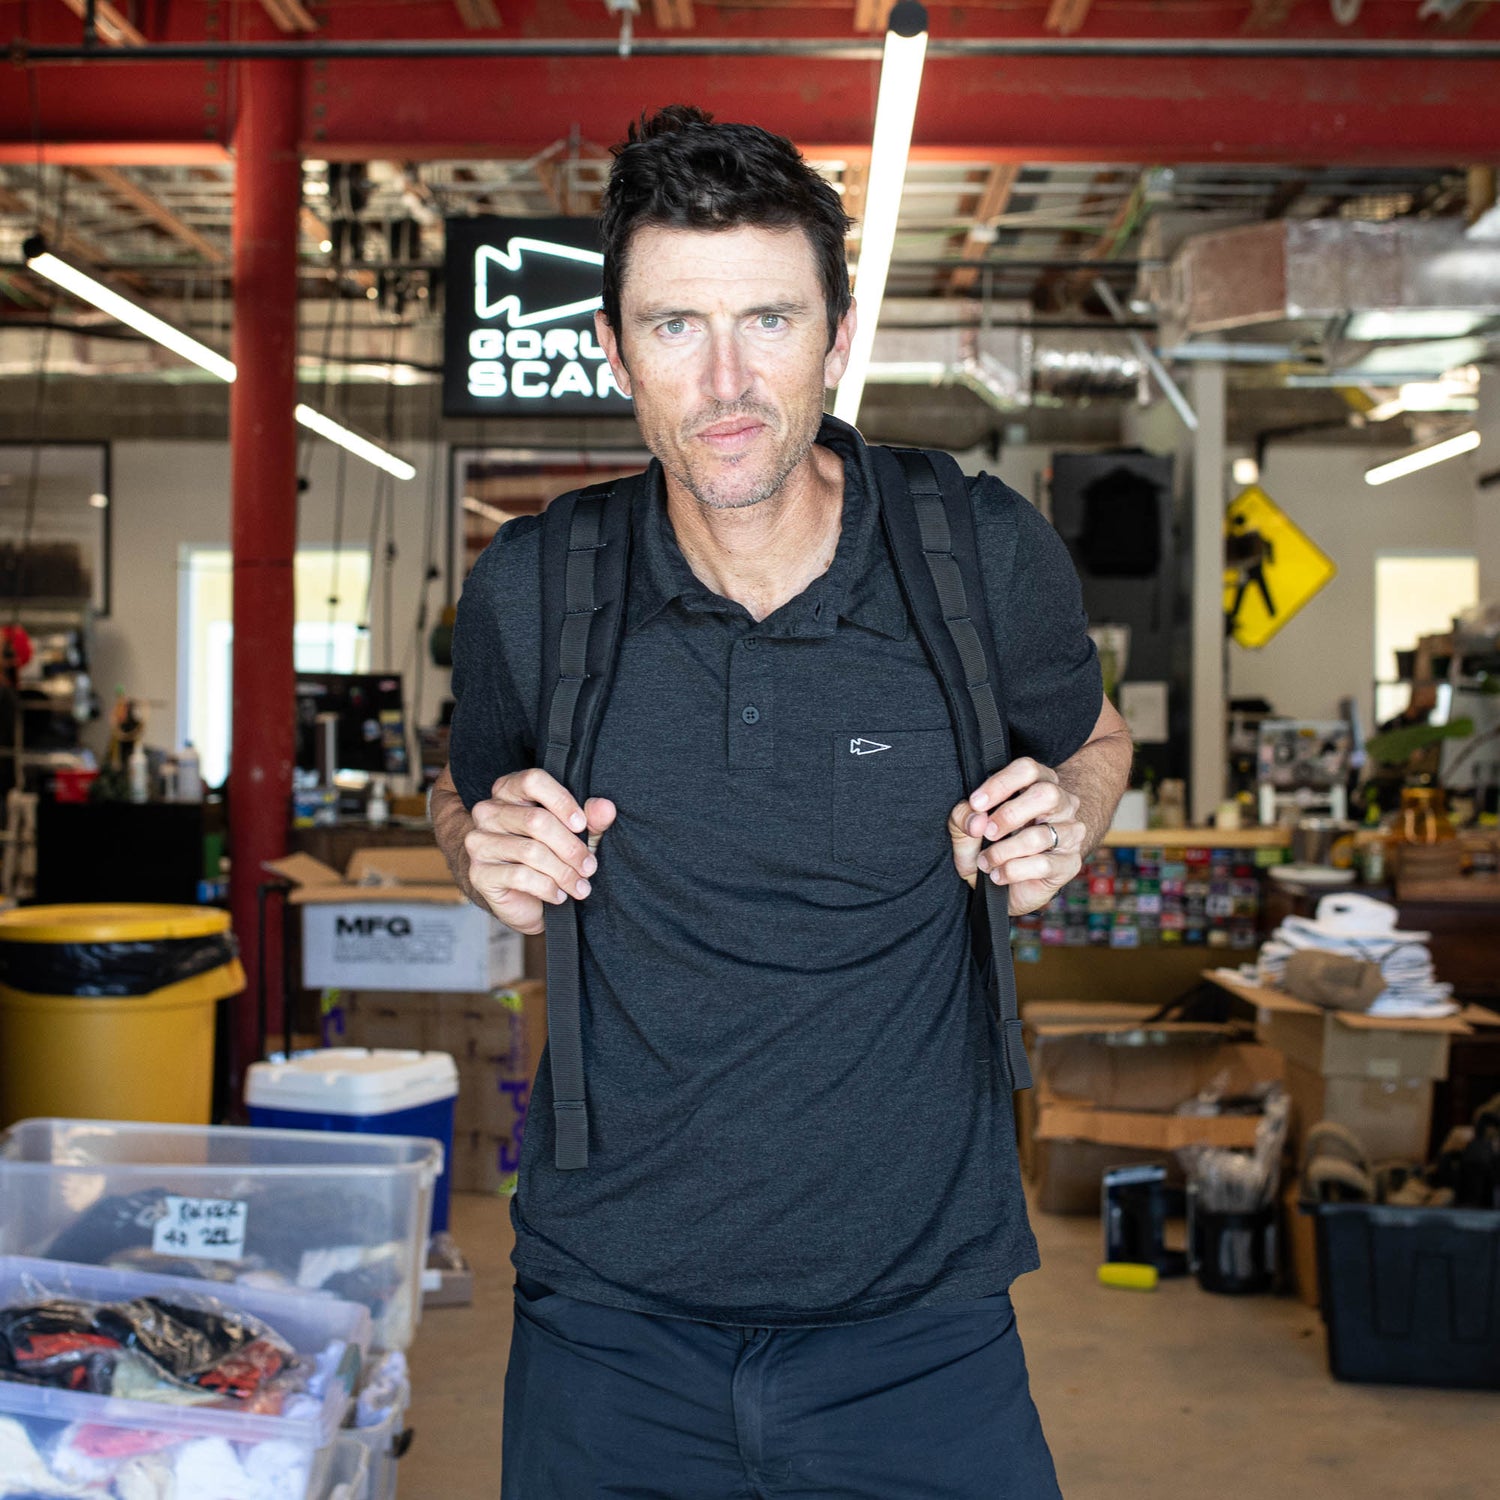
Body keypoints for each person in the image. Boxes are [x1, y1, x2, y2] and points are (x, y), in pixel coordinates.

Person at [432, 106, 1132, 1499]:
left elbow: (1095, 737)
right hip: (607, 1325)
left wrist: (1068, 806)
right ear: (616, 348)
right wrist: (477, 848)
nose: (728, 381)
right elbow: (460, 790)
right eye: (677, 328)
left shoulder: (974, 552)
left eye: (769, 319)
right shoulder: (538, 583)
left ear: (835, 331)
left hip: (923, 1327)